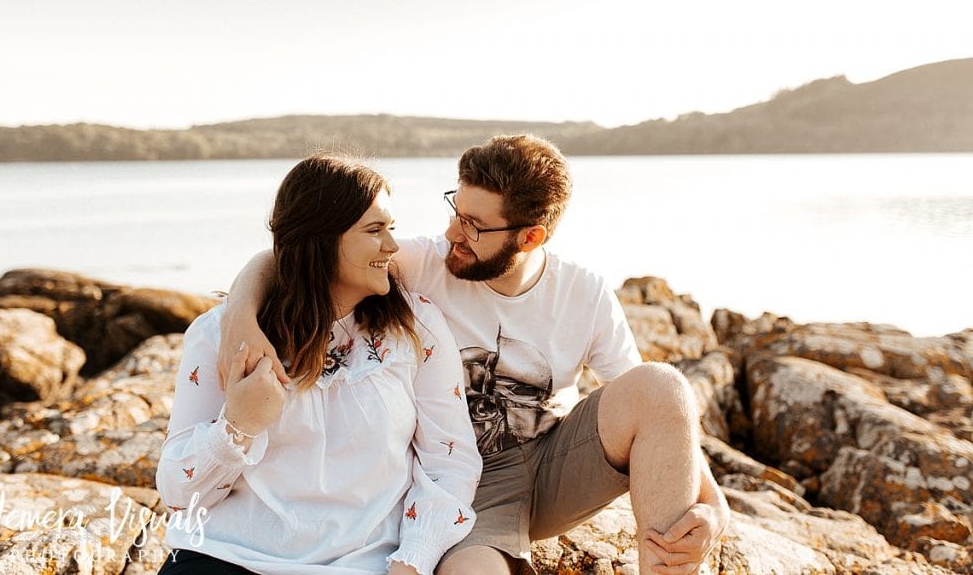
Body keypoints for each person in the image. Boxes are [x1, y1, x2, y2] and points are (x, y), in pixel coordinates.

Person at [217, 136, 730, 575]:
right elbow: (290, 254)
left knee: (662, 383)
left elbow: (661, 413)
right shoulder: (422, 264)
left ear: (531, 236)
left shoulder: (583, 291)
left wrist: (713, 505)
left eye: (474, 227)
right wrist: (240, 318)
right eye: (455, 212)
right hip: (466, 480)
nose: (451, 234)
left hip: (556, 464)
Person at [156, 153, 481, 575]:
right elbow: (178, 493)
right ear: (322, 239)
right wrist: (238, 426)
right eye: (374, 230)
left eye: (392, 228)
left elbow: (448, 463)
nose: (393, 246)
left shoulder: (417, 327)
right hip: (225, 557)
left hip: (363, 564)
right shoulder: (222, 334)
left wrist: (413, 560)